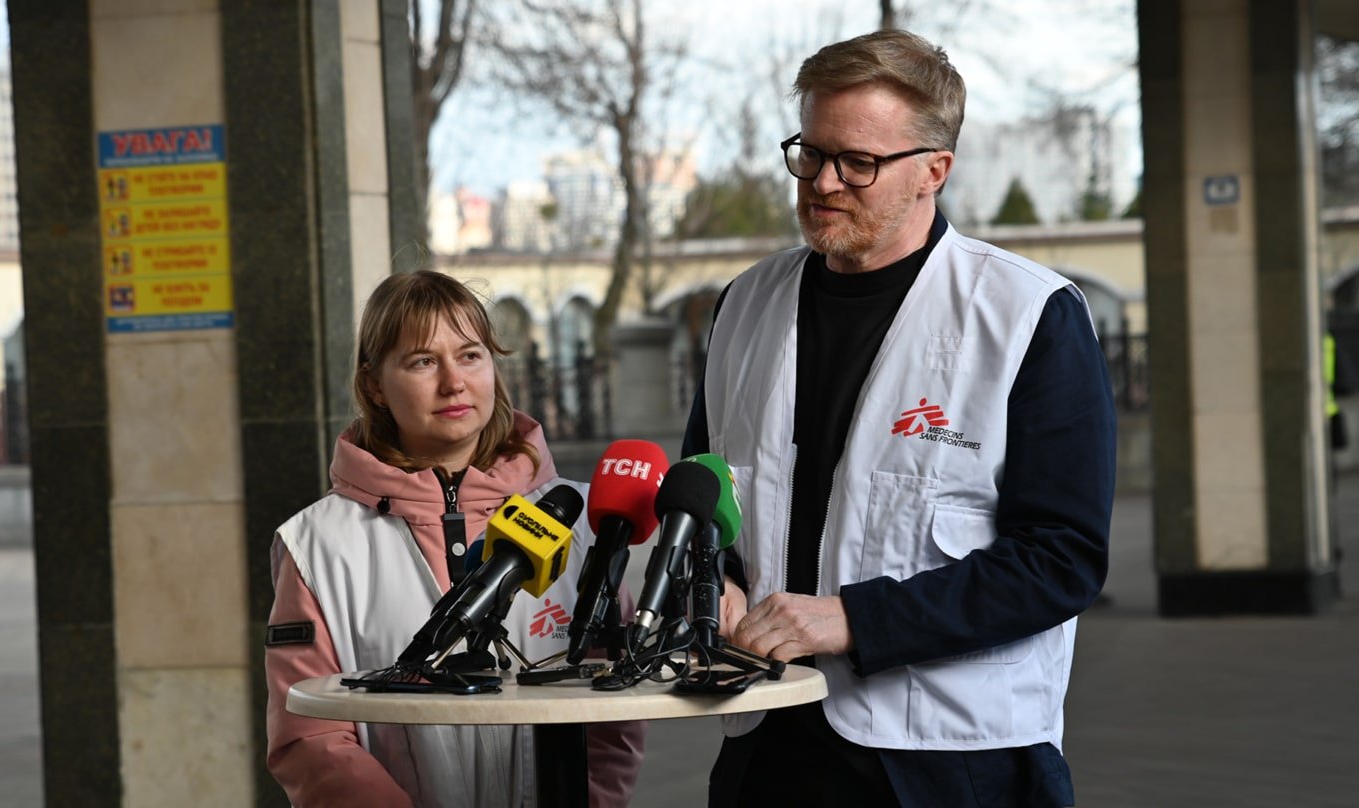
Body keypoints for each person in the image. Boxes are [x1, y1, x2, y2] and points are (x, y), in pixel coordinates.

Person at [683, 30, 1116, 808]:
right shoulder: (744, 305)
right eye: (808, 153)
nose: (822, 182)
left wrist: (852, 618)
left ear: (934, 171)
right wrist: (712, 580)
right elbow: (699, 496)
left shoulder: (1027, 315)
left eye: (858, 162)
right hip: (768, 745)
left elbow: (1061, 559)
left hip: (953, 759)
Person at [265, 271, 645, 807]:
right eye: (422, 361)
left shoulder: (582, 520)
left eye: (470, 355)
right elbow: (311, 737)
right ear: (374, 384)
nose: (453, 382)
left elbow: (615, 713)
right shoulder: (318, 544)